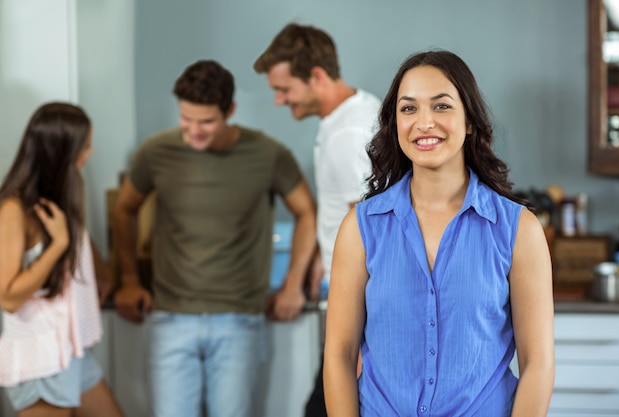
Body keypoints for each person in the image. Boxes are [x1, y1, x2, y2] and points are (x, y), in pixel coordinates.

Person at [323, 50, 555, 416]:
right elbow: (339, 356)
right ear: (394, 123)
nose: (424, 122)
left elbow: (538, 362)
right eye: (409, 108)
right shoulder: (360, 228)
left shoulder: (518, 230)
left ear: (468, 122)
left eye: (442, 106)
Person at [113, 59, 317, 417]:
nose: (193, 131)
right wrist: (128, 279)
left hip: (238, 321)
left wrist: (292, 284)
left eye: (206, 121)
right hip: (171, 319)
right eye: (186, 119)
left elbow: (307, 212)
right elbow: (123, 208)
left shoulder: (267, 155)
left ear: (230, 111)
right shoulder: (156, 152)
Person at [254, 23, 382, 417]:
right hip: (348, 293)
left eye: (284, 89)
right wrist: (319, 256)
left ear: (318, 77)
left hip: (355, 302)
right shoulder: (359, 109)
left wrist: (360, 340)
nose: (278, 100)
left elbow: (368, 231)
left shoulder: (348, 136)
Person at [0, 102, 124, 417]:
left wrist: (100, 276)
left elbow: (85, 255)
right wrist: (58, 245)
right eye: (85, 146)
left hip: (71, 350)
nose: (90, 151)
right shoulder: (13, 211)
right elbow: (8, 297)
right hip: (39, 359)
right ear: (62, 153)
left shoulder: (62, 199)